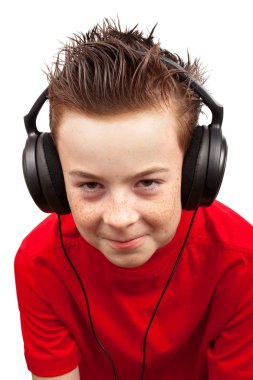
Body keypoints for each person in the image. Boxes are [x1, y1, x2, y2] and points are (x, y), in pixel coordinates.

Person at [15, 19, 253, 380]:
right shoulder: (39, 263)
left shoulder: (242, 261)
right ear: (51, 178)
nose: (120, 217)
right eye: (91, 186)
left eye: (146, 182)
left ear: (195, 171)